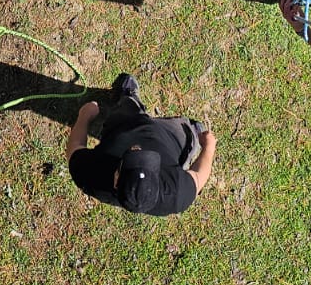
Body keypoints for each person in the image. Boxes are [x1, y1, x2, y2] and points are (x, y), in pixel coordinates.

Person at [66, 75, 217, 216]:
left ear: (116, 179)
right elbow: (199, 177)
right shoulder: (175, 194)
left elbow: (75, 146)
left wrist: (84, 116)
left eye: (132, 156)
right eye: (149, 161)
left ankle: (128, 97)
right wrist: (209, 147)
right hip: (168, 139)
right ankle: (192, 135)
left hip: (125, 126)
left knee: (126, 108)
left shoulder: (91, 176)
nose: (138, 148)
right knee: (186, 134)